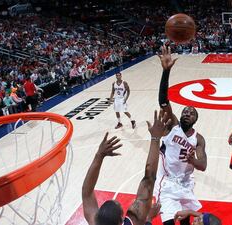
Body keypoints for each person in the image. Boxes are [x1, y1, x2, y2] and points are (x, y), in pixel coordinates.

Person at [82, 110, 171, 225]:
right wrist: (155, 138)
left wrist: (99, 156)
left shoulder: (95, 222)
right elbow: (149, 179)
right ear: (121, 221)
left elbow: (87, 192)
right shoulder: (134, 221)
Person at [155, 45, 207, 225]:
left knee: (186, 223)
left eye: (191, 112)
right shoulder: (173, 127)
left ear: (195, 119)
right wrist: (166, 72)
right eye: (185, 110)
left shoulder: (198, 139)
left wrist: (193, 160)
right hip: (167, 183)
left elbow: (203, 166)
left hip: (185, 184)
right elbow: (163, 101)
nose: (186, 113)